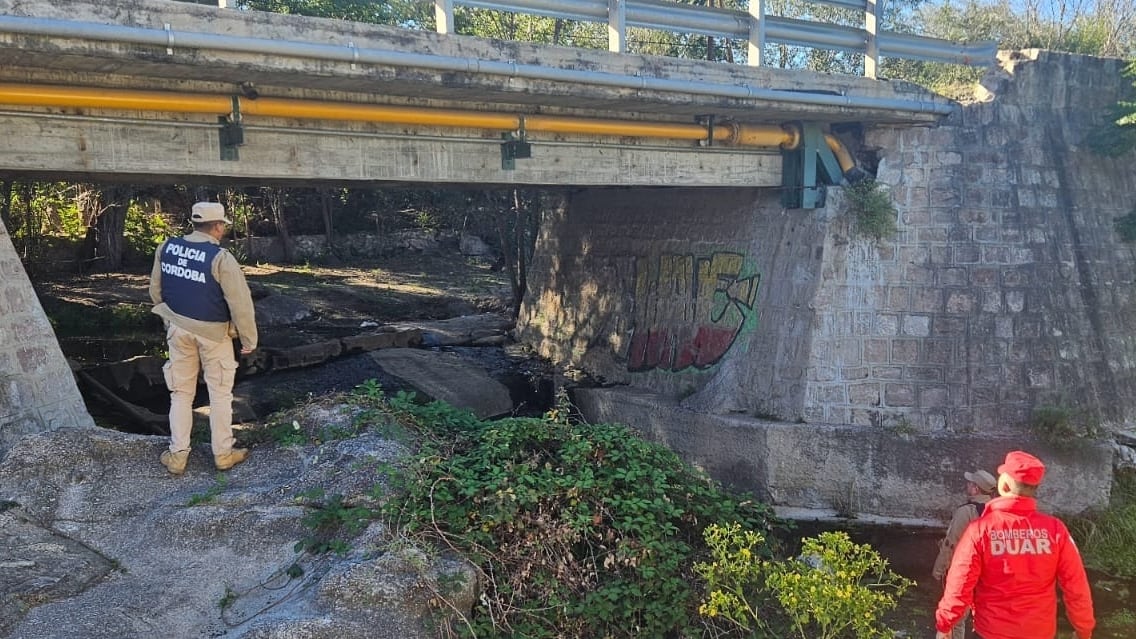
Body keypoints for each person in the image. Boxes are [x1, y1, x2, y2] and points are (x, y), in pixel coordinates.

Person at [934, 451, 1095, 639]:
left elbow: (960, 585)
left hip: (991, 632)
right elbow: (1076, 586)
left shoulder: (981, 529)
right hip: (1040, 632)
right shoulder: (1056, 530)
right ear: (1035, 487)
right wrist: (1083, 629)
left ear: (1004, 484)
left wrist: (944, 624)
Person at [149, 201, 257, 475]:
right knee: (220, 394)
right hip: (214, 334)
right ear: (218, 227)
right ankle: (223, 454)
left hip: (178, 329)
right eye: (223, 226)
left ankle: (177, 455)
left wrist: (168, 319)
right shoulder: (221, 258)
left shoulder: (166, 248)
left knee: (181, 394)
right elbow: (240, 304)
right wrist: (248, 339)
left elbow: (155, 291)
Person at [932, 468, 998, 639]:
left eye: (970, 483)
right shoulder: (997, 511)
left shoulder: (966, 511)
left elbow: (951, 543)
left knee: (956, 618)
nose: (967, 485)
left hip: (964, 571)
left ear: (975, 489)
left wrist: (939, 569)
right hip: (988, 573)